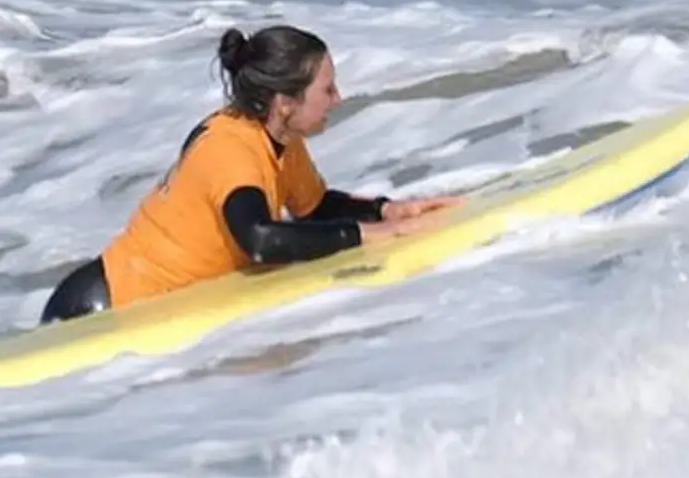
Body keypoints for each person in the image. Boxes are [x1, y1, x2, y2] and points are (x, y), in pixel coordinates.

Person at [41, 24, 465, 323]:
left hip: (137, 307)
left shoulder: (280, 140)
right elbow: (261, 239)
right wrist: (366, 236)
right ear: (285, 103)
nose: (338, 99)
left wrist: (387, 211)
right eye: (327, 90)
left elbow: (314, 209)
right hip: (102, 309)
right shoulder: (231, 148)